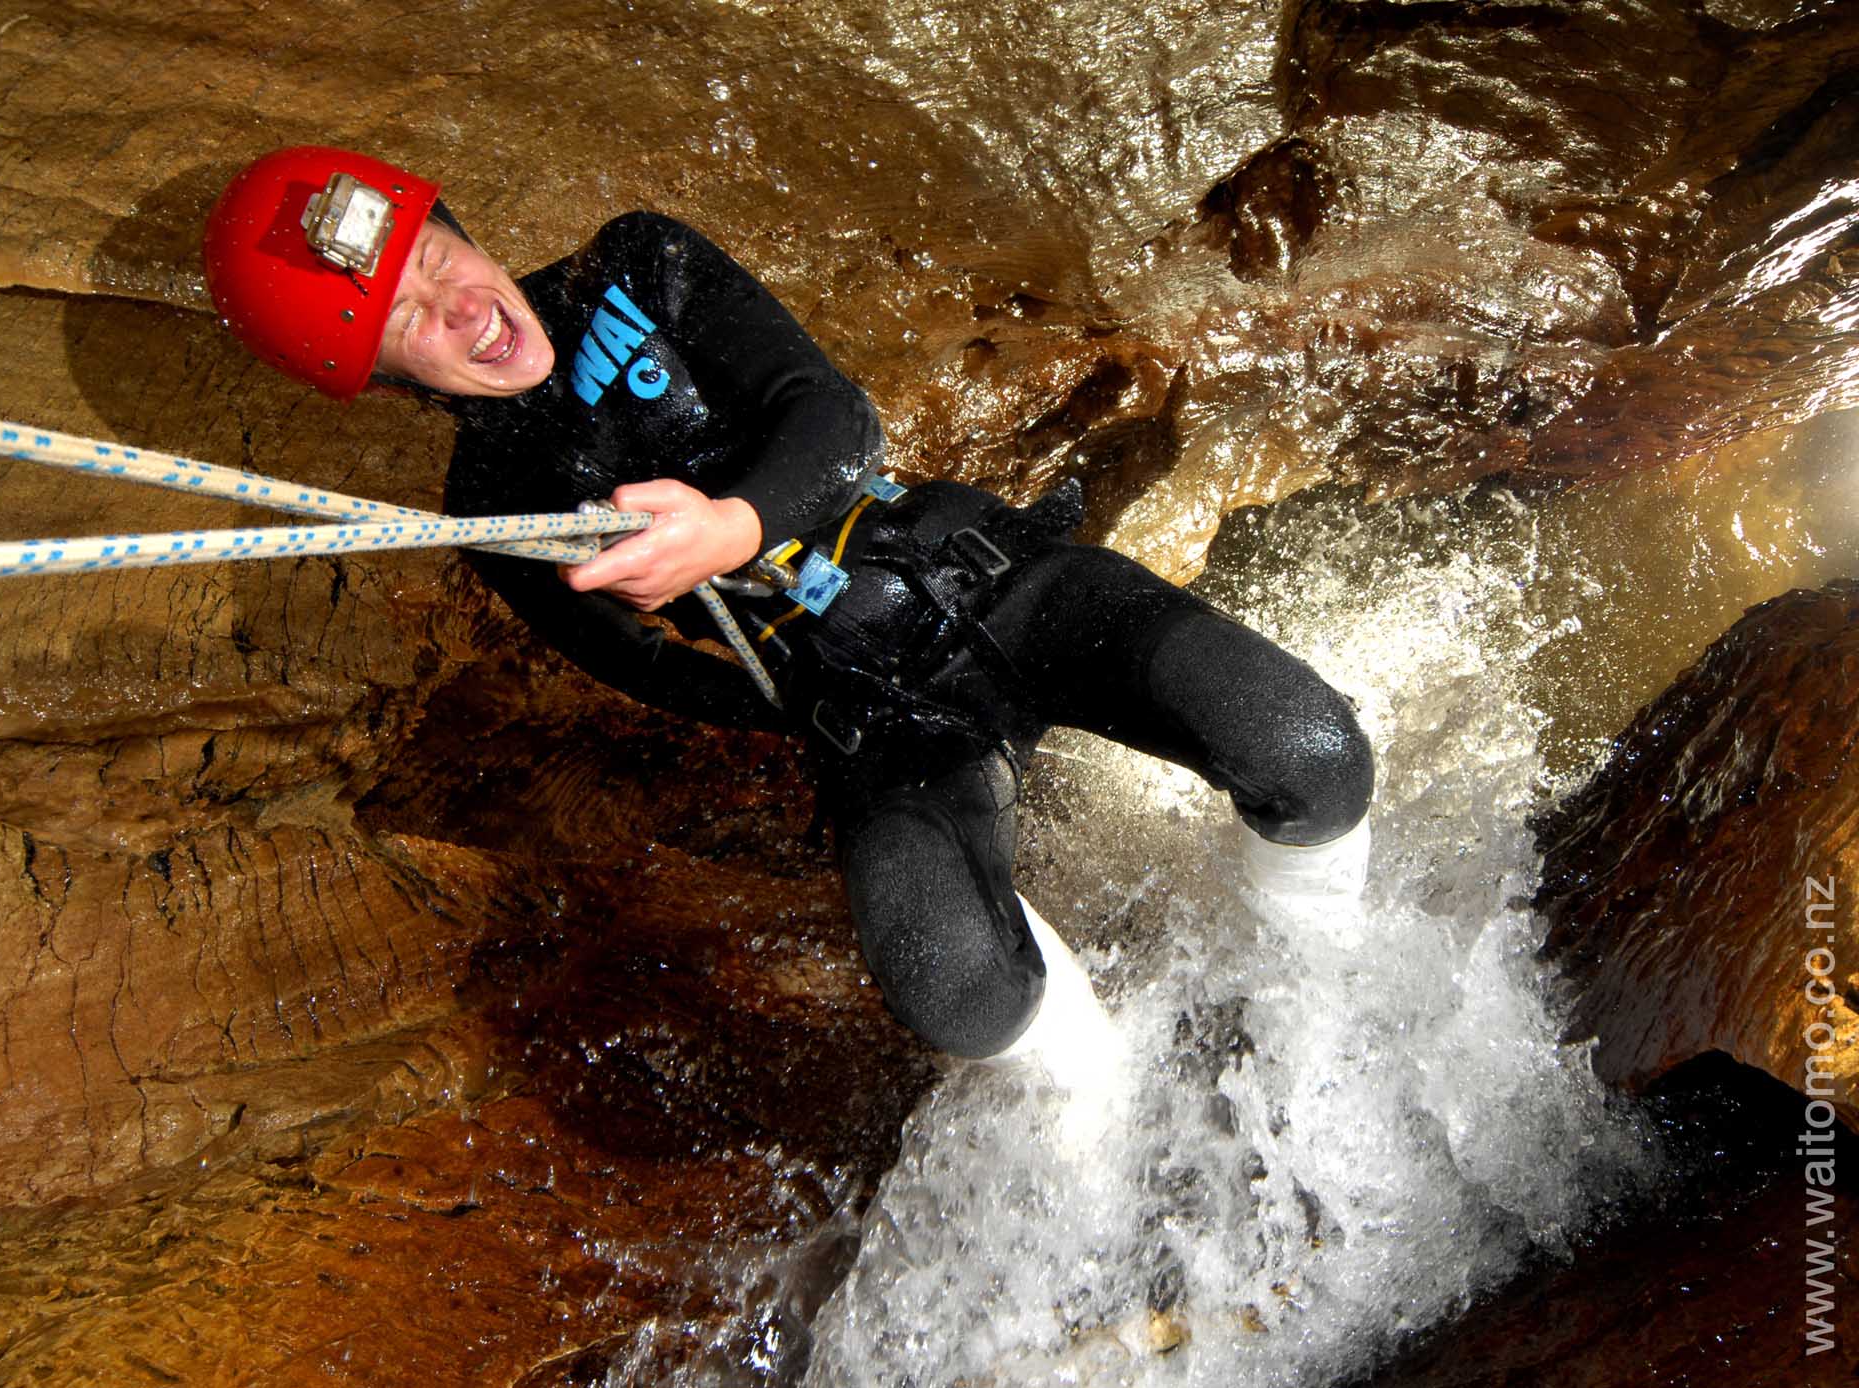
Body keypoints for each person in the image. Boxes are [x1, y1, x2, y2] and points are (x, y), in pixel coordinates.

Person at [203, 145, 1375, 1096]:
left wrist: (731, 527)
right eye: (411, 321)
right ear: (387, 378)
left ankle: (1316, 997)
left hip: (991, 585)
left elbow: (834, 419)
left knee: (1310, 754)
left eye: (437, 256)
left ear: (458, 224)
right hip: (874, 718)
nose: (463, 307)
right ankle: (1107, 1113)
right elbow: (639, 667)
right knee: (955, 993)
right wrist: (798, 712)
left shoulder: (632, 263)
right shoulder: (491, 503)